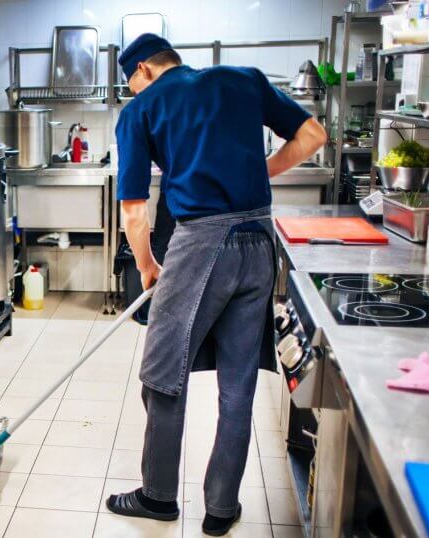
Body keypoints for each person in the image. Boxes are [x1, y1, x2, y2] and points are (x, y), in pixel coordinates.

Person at [105, 34, 326, 536]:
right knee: (237, 384)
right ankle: (222, 509)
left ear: (142, 69)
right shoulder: (244, 79)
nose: (133, 91)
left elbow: (135, 210)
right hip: (259, 240)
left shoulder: (141, 110)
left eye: (131, 83)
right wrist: (261, 171)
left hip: (202, 242)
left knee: (163, 372)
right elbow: (313, 136)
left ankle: (158, 497)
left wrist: (146, 267)